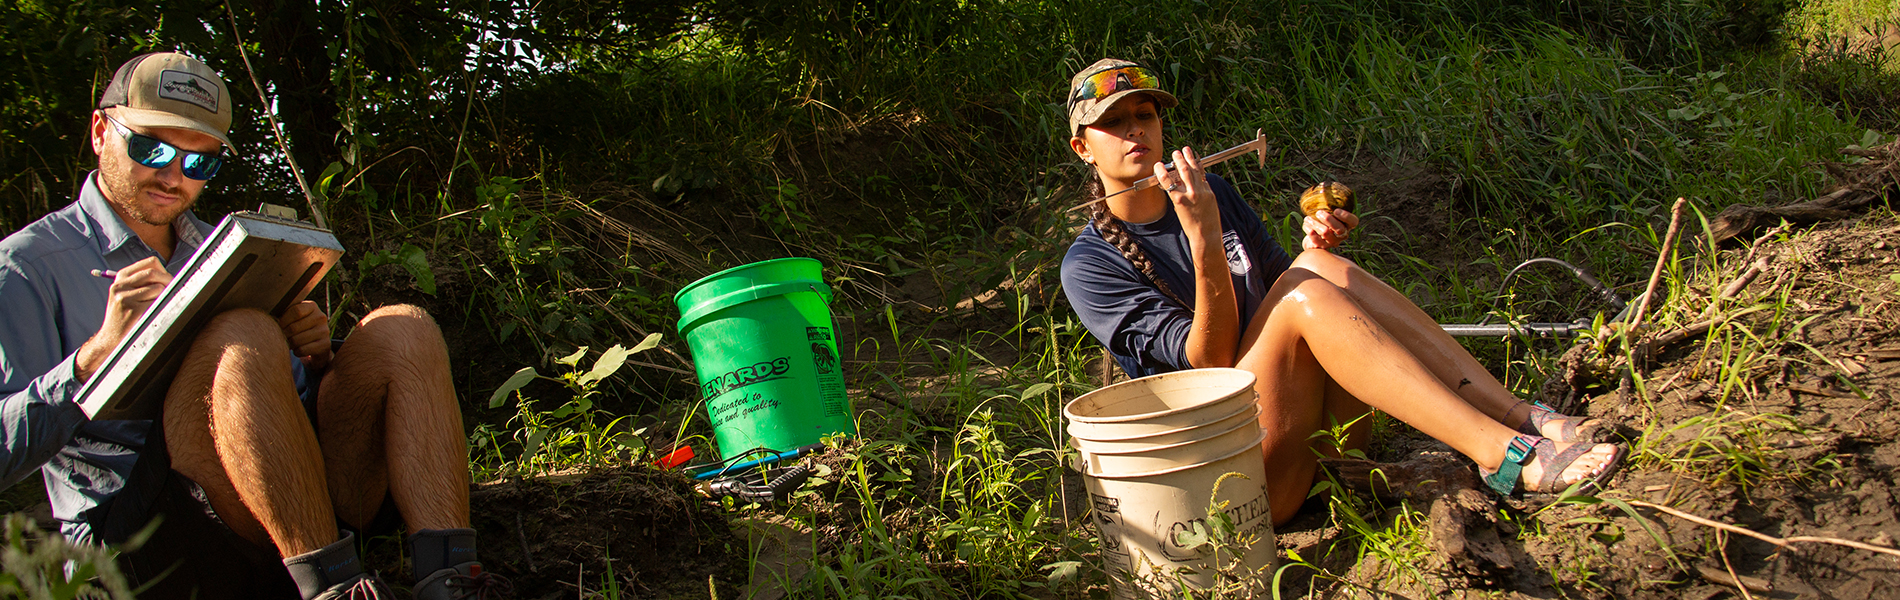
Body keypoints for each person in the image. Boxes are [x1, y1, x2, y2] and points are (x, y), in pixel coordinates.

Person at [0, 52, 506, 599]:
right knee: (237, 332)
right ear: (101, 131)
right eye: (152, 148)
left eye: (200, 163)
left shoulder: (222, 249)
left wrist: (314, 358)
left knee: (402, 330)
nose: (173, 176)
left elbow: (265, 392)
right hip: (141, 532)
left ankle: (453, 580)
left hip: (281, 498)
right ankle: (333, 589)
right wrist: (92, 358)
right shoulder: (28, 264)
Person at [1057, 58, 1626, 526]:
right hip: (1239, 484)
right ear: (1084, 148)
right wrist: (1202, 237)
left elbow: (1289, 284)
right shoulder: (1089, 264)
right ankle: (1500, 455)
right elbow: (1208, 364)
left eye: (1146, 113)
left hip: (1320, 439)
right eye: (1114, 121)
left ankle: (1523, 418)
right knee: (1308, 291)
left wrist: (1318, 246)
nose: (1136, 129)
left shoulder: (1216, 192)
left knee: (1318, 270)